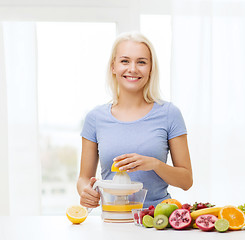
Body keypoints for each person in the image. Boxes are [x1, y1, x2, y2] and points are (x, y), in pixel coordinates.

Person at [77, 32, 192, 208]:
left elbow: (186, 181)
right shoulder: (95, 118)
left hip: (157, 221)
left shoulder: (170, 114)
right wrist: (86, 191)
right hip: (113, 219)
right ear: (113, 66)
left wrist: (154, 164)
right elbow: (84, 178)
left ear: (151, 69)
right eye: (125, 61)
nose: (133, 69)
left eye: (141, 62)